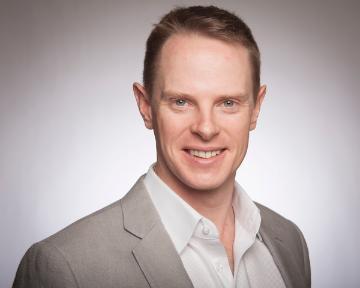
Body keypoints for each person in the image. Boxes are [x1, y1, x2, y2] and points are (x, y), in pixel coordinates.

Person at [13, 5, 311, 288]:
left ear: (256, 109)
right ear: (146, 107)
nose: (205, 128)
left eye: (228, 103)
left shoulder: (288, 241)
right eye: (181, 102)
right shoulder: (64, 267)